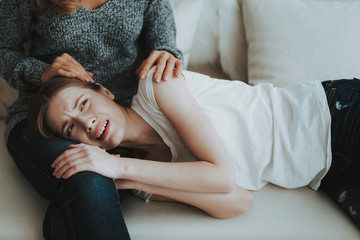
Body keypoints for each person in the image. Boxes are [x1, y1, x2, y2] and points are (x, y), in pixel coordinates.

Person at [27, 67, 360, 229]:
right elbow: (237, 201)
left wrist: (118, 168)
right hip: (326, 171)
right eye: (71, 127)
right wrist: (132, 181)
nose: (86, 123)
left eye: (84, 103)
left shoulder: (157, 85)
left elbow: (222, 175)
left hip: (332, 113)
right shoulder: (142, 179)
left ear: (104, 91)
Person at [0, 0, 183, 239]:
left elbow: (166, 51)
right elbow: (3, 50)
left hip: (115, 121)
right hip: (43, 120)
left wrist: (167, 58)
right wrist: (40, 72)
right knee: (86, 169)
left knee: (65, 222)